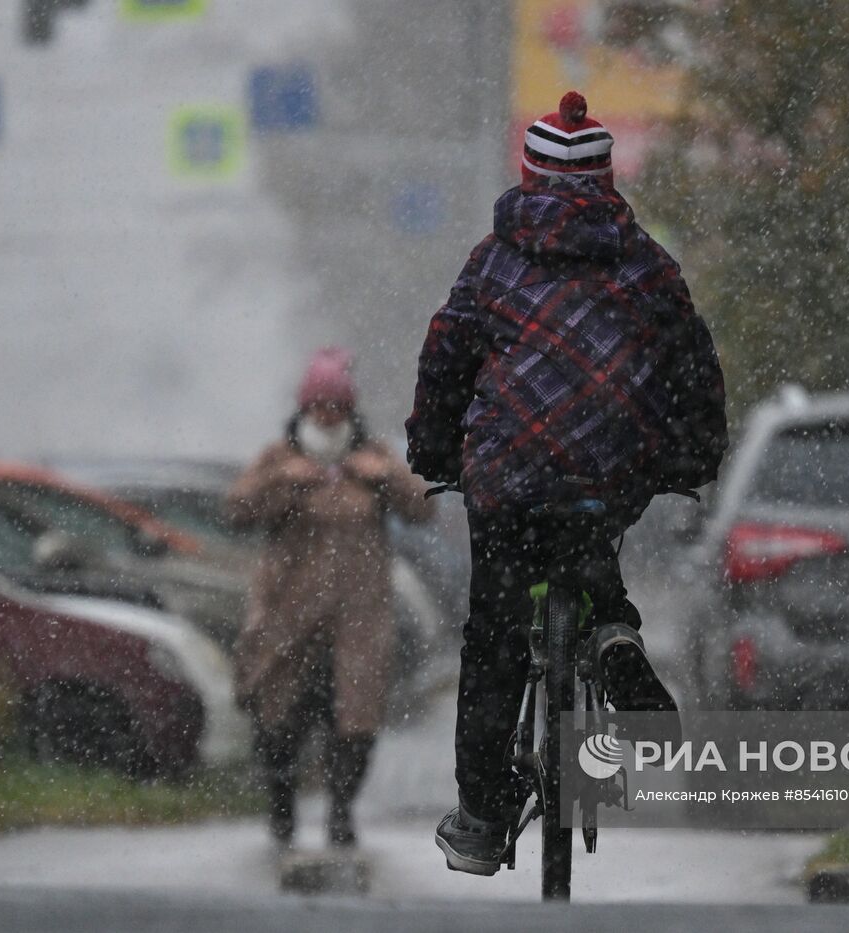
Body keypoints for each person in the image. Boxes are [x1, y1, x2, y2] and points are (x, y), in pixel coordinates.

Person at [406, 92, 728, 875]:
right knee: (584, 528)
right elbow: (693, 361)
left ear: (528, 173)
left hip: (509, 468)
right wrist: (692, 457)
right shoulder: (646, 260)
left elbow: (445, 358)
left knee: (494, 634)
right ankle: (614, 635)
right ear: (606, 178)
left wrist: (433, 449)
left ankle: (483, 815)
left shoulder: (493, 262)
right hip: (613, 464)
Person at [228, 346, 432, 850]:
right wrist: (283, 483)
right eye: (319, 404)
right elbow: (236, 511)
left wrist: (386, 478)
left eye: (337, 404)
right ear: (304, 407)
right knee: (280, 718)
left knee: (355, 721)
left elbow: (422, 509)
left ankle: (341, 811)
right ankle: (282, 808)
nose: (328, 414)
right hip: (287, 616)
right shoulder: (280, 458)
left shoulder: (374, 456)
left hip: (359, 618)